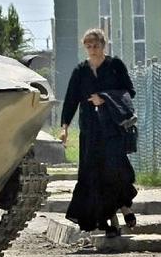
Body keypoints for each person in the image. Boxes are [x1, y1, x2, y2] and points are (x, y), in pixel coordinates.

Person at [59, 28, 138, 237]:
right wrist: (65, 127)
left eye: (96, 46)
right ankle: (108, 221)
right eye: (89, 46)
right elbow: (70, 100)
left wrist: (104, 97)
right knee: (93, 175)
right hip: (90, 130)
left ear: (104, 45)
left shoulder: (115, 66)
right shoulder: (80, 71)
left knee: (115, 170)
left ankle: (124, 207)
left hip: (112, 129)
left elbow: (129, 92)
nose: (92, 50)